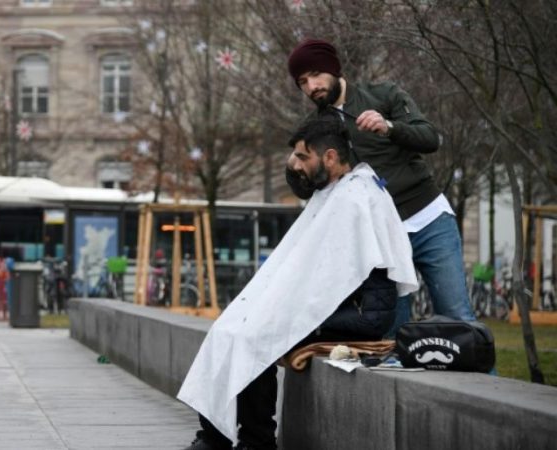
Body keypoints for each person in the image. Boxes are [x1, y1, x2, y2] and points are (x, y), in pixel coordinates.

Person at [179, 116, 418, 450]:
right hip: (338, 307)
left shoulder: (356, 198)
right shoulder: (337, 191)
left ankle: (256, 441)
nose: (295, 165)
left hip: (361, 315)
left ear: (331, 157)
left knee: (256, 336)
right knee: (228, 328)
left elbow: (341, 277)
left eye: (303, 157)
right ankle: (213, 435)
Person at [287, 38, 477, 333]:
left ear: (334, 69)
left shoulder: (383, 94)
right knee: (391, 332)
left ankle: (482, 379)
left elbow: (430, 138)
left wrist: (390, 127)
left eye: (315, 75)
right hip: (379, 238)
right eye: (302, 82)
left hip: (427, 219)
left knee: (458, 317)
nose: (312, 86)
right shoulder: (314, 128)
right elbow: (307, 189)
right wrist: (295, 167)